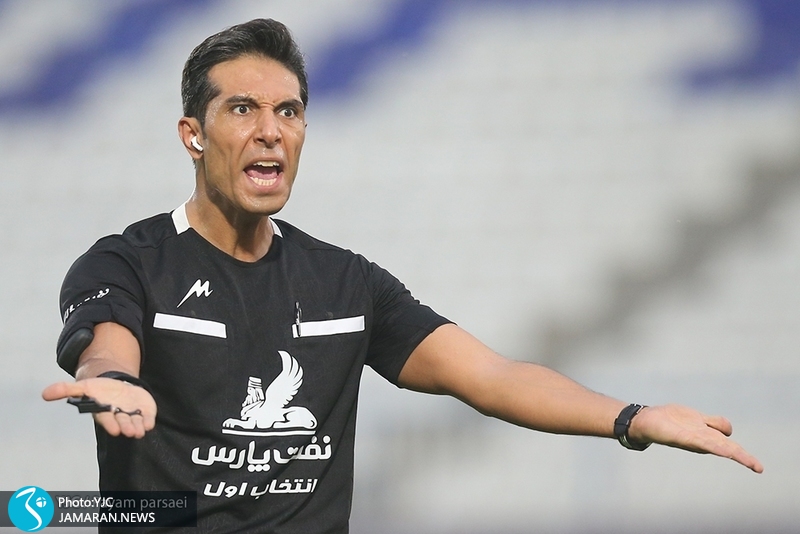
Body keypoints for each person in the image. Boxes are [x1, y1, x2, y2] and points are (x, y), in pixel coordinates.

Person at [42, 18, 763, 533]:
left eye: (289, 111)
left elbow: (492, 377)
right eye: (242, 109)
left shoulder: (345, 283)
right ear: (193, 135)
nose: (271, 130)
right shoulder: (128, 262)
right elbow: (106, 345)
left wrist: (632, 419)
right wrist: (116, 380)